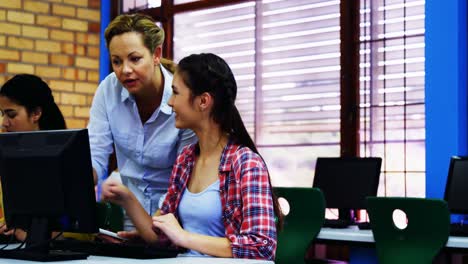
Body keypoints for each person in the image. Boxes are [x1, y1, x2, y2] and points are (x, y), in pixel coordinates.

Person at [101, 53, 281, 260]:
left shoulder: (246, 163)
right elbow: (163, 236)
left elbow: (261, 247)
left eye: (176, 93)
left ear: (203, 101)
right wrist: (128, 200)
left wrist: (185, 237)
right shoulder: (186, 159)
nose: (170, 102)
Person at [88, 13, 197, 231]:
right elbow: (95, 154)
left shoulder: (183, 98)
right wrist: (78, 176)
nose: (124, 70)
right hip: (129, 216)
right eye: (116, 61)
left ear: (156, 54)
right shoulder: (108, 90)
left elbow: (184, 180)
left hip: (177, 220)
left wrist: (152, 230)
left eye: (134, 59)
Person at [0, 73, 67, 241]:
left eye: (11, 114)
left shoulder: (63, 159)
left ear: (36, 113)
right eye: (2, 114)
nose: (4, 123)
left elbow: (82, 232)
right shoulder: (8, 159)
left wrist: (28, 235)